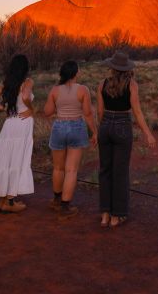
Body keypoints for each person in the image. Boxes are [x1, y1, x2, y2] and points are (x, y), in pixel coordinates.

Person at [97, 51, 156, 228]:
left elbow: (99, 112)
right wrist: (148, 133)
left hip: (105, 126)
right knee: (120, 172)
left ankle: (105, 215)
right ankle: (117, 216)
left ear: (112, 68)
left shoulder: (102, 84)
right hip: (123, 126)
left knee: (105, 170)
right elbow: (137, 112)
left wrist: (101, 130)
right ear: (126, 69)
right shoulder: (132, 85)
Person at [0, 54, 35, 213]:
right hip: (23, 124)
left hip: (10, 124)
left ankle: (5, 200)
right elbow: (25, 96)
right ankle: (9, 202)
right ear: (25, 68)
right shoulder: (28, 82)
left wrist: (3, 108)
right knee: (18, 159)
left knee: (7, 159)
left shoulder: (6, 84)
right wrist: (31, 110)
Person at [44, 60, 98, 219]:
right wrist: (95, 132)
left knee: (58, 168)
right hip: (76, 127)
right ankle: (65, 207)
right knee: (71, 170)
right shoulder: (83, 90)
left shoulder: (55, 90)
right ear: (75, 73)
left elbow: (47, 112)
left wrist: (56, 103)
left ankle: (56, 200)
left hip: (59, 127)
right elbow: (87, 114)